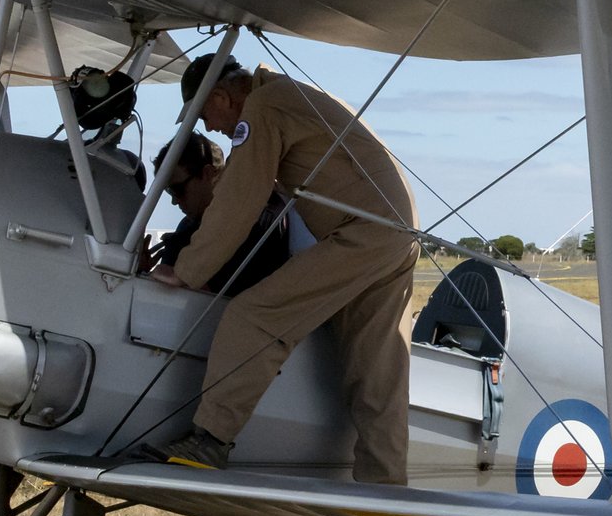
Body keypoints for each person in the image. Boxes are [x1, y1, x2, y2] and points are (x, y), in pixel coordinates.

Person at [148, 54, 418, 483]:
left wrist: (187, 269)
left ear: (220, 96)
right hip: (397, 233)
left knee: (252, 316)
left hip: (364, 233)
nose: (210, 128)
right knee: (377, 375)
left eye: (204, 115)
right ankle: (384, 488)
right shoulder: (289, 95)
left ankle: (210, 440)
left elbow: (239, 198)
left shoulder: (263, 106)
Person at [150, 131, 291, 295]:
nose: (175, 201)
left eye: (178, 190)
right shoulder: (188, 227)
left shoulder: (255, 217)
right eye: (169, 192)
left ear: (208, 174)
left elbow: (218, 294)